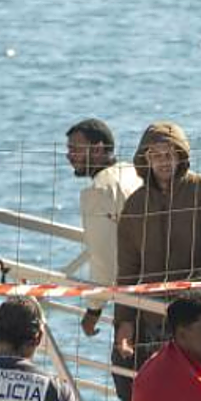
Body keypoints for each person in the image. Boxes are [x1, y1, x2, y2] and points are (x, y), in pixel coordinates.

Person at [112, 121, 201, 401]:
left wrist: (194, 289)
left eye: (169, 154)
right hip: (152, 313)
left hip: (200, 315)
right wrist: (124, 323)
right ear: (145, 159)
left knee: (197, 395)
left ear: (182, 156)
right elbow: (128, 270)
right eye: (155, 155)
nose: (163, 161)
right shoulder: (135, 205)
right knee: (129, 375)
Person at [66, 118, 142, 339]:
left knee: (127, 367)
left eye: (75, 149)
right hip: (160, 280)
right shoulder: (133, 172)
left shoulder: (98, 192)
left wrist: (93, 309)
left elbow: (103, 260)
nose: (69, 156)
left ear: (98, 149)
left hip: (132, 295)